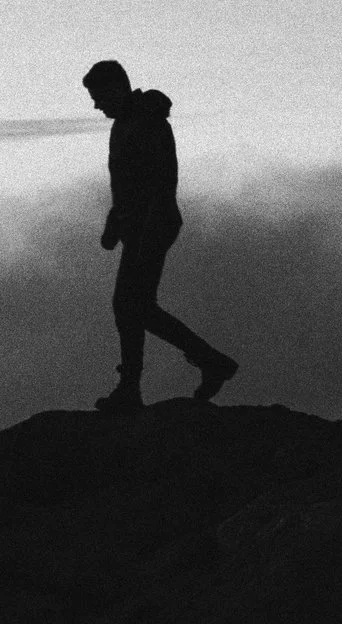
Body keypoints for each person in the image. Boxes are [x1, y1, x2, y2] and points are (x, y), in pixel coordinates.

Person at [82, 59, 238, 414]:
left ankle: (136, 386)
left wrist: (145, 232)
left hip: (154, 224)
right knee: (135, 307)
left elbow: (159, 182)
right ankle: (204, 362)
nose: (96, 105)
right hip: (139, 226)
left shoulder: (146, 120)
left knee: (130, 306)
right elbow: (126, 183)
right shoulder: (124, 124)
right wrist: (115, 222)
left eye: (98, 96)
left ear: (117, 88)